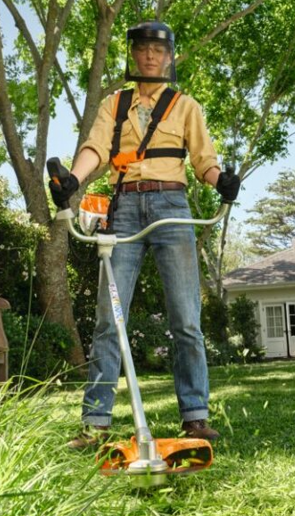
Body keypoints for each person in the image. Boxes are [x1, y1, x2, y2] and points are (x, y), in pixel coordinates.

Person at [49, 21, 240, 449]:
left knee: (186, 318)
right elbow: (95, 150)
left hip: (172, 207)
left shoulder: (186, 106)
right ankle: (95, 423)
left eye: (158, 49)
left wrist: (220, 182)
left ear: (169, 56)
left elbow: (203, 161)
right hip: (125, 207)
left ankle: (195, 417)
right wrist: (72, 181)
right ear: (133, 54)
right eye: (143, 48)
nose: (150, 55)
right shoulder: (113, 105)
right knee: (107, 318)